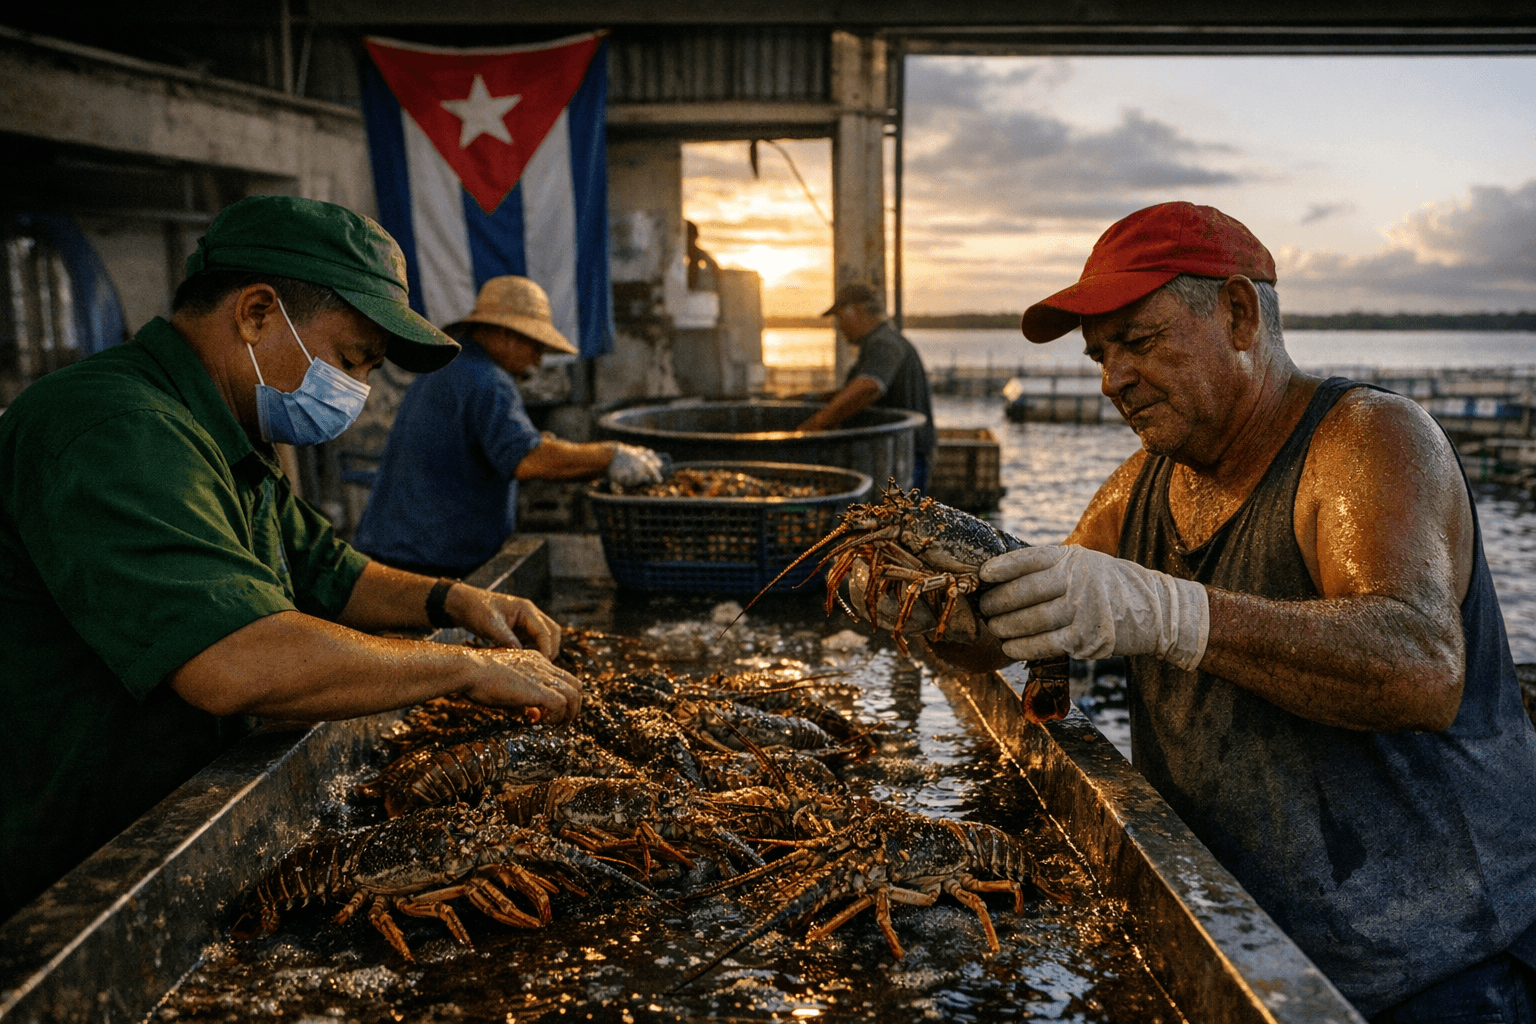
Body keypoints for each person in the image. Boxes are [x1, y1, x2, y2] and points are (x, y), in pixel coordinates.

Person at [976, 201, 1536, 1020]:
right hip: (1247, 950)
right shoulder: (1139, 490)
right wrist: (931, 604)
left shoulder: (1366, 440)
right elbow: (1007, 629)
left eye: (1137, 341)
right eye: (1100, 356)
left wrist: (1172, 613)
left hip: (1442, 965)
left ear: (1238, 314)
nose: (1111, 379)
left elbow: (1421, 667)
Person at [0, 196, 584, 923]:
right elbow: (235, 661)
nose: (357, 390)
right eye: (350, 360)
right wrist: (464, 667)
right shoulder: (116, 428)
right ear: (255, 313)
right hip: (78, 863)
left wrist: (456, 603)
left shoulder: (226, 429)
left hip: (177, 814)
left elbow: (329, 570)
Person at [353, 276, 666, 580]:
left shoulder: (448, 365)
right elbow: (527, 460)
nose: (538, 361)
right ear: (504, 333)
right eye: (535, 346)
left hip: (388, 552)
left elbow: (479, 448)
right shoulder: (489, 379)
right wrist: (611, 456)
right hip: (428, 564)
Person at [796, 282, 936, 491]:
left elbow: (869, 387)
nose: (839, 326)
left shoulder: (884, 343)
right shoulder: (880, 342)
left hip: (902, 460)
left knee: (897, 520)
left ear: (857, 312)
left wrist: (813, 426)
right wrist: (813, 399)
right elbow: (857, 390)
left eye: (840, 317)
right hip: (897, 457)